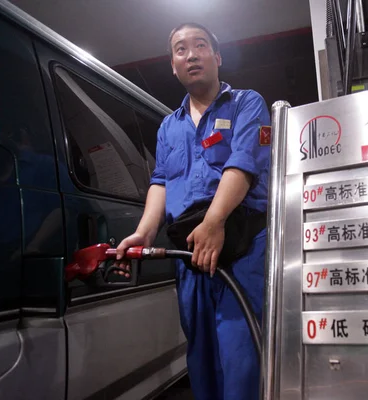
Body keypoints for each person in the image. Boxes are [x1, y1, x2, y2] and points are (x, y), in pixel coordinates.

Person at [114, 22, 270, 400]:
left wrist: (215, 221)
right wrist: (144, 232)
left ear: (216, 58)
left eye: (200, 46)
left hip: (240, 246)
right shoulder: (170, 126)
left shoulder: (246, 103)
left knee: (241, 356)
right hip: (189, 251)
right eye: (181, 49)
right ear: (173, 65)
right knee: (200, 357)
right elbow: (161, 181)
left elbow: (244, 163)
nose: (191, 54)